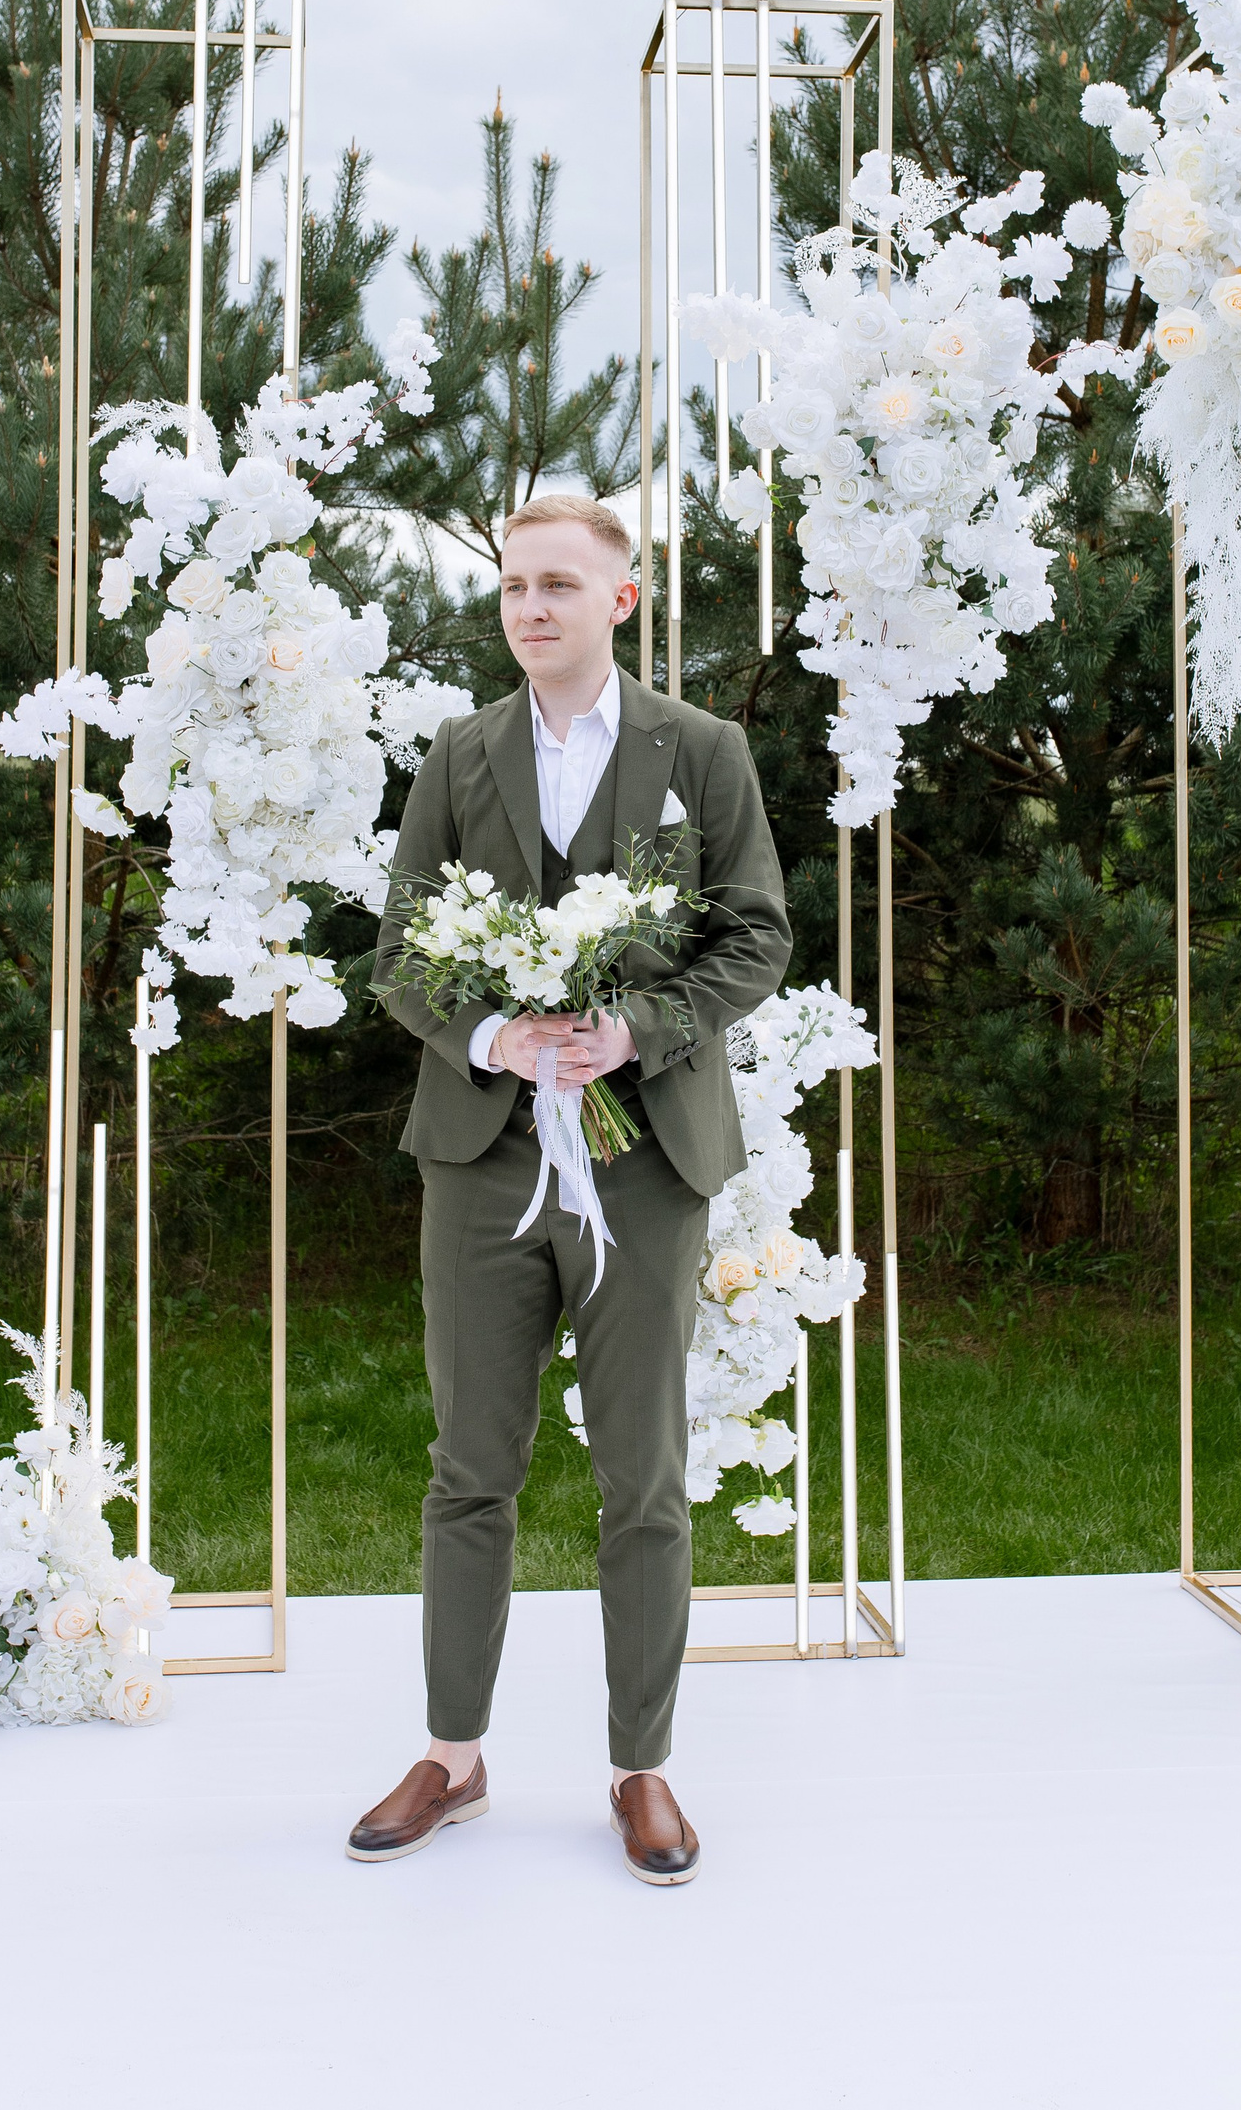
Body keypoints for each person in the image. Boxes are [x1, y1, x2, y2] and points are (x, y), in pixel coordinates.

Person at [349, 492, 790, 1884]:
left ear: (621, 598)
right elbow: (401, 950)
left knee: (643, 1474)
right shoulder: (458, 753)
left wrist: (635, 1032)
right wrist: (492, 1033)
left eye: (557, 584)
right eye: (512, 586)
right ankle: (452, 1755)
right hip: (481, 1158)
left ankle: (640, 1768)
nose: (529, 607)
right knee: (469, 1466)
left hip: (644, 1158)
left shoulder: (701, 752)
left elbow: (756, 932)